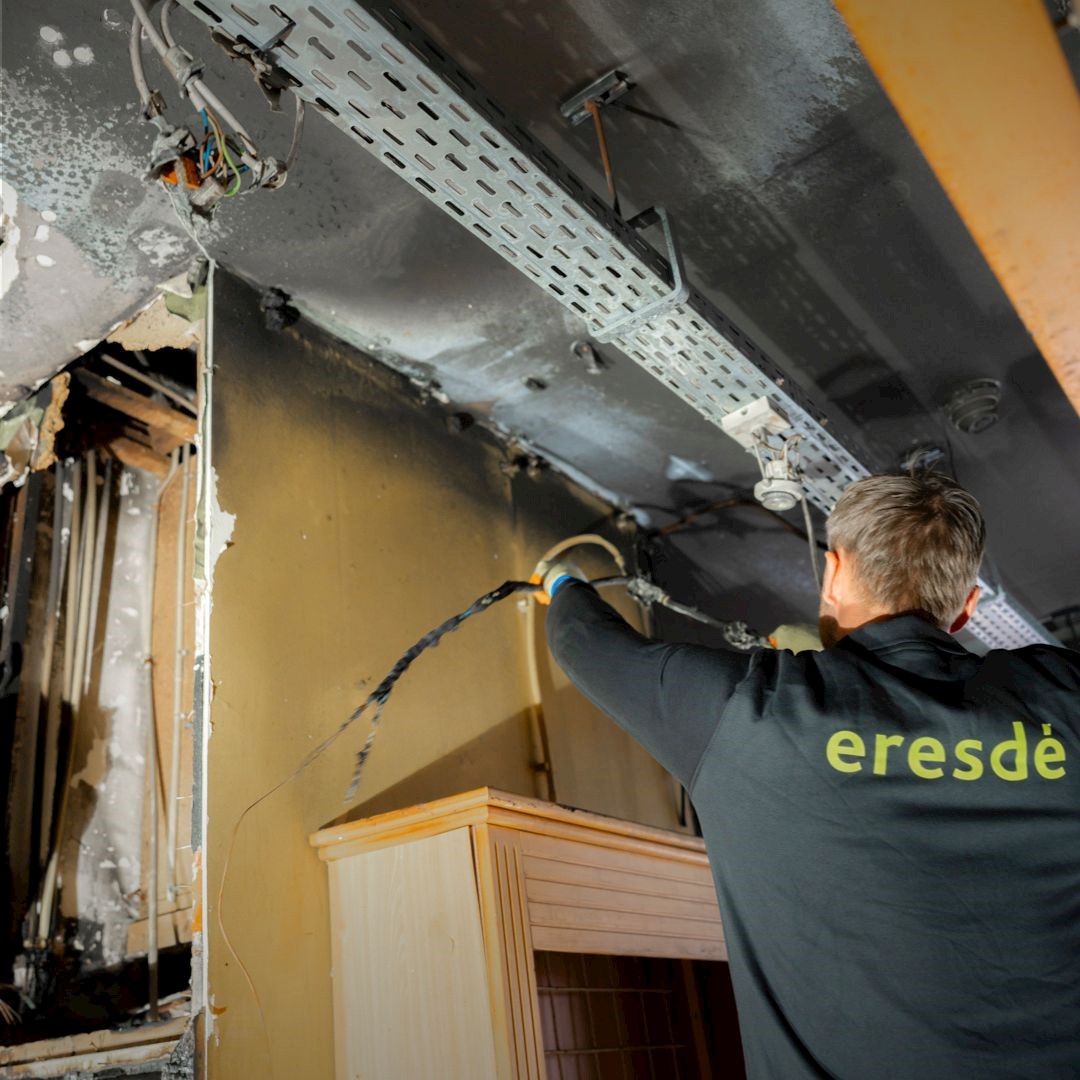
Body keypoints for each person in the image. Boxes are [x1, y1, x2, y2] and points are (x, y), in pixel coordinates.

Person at [537, 472, 1080, 1080]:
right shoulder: (1065, 696)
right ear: (967, 607)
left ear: (833, 572)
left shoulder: (749, 709)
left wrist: (562, 582)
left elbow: (585, 642)